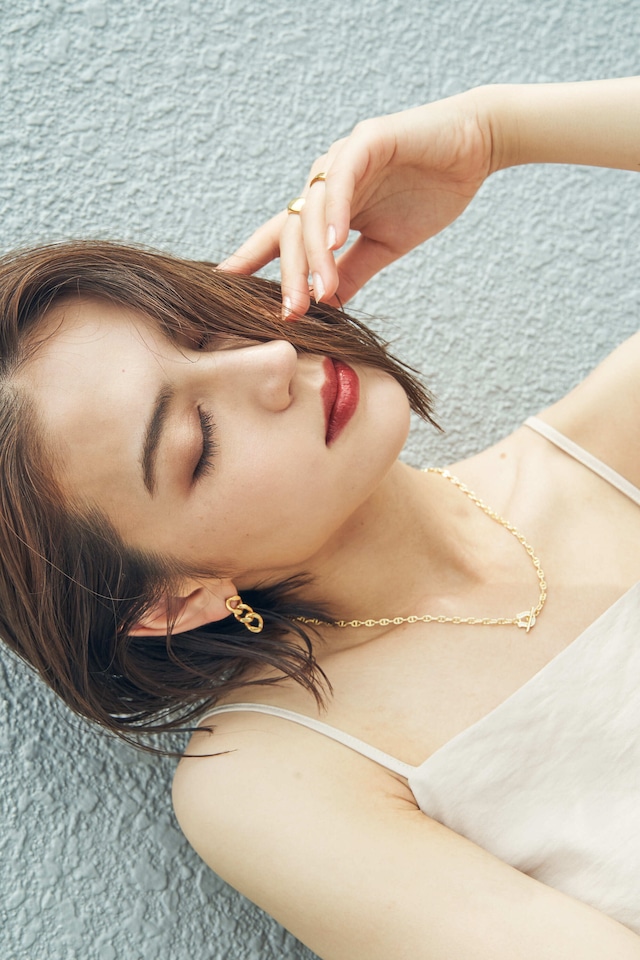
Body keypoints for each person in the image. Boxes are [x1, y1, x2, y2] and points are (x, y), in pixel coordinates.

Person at [1, 77, 640, 959]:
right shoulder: (281, 773)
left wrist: (495, 130)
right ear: (173, 601)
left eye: (203, 330)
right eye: (198, 438)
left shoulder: (614, 441)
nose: (270, 359)